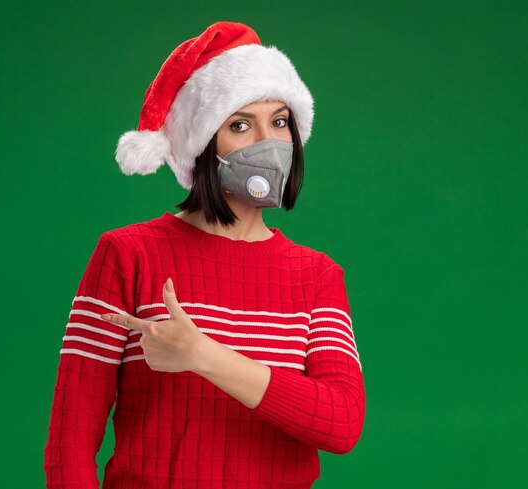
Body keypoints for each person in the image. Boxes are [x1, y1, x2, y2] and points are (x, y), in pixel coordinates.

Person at [43, 20, 366, 489]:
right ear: (201, 144)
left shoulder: (317, 275)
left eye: (279, 122)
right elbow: (70, 438)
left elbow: (341, 424)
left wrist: (202, 354)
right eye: (240, 125)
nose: (268, 143)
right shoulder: (126, 254)